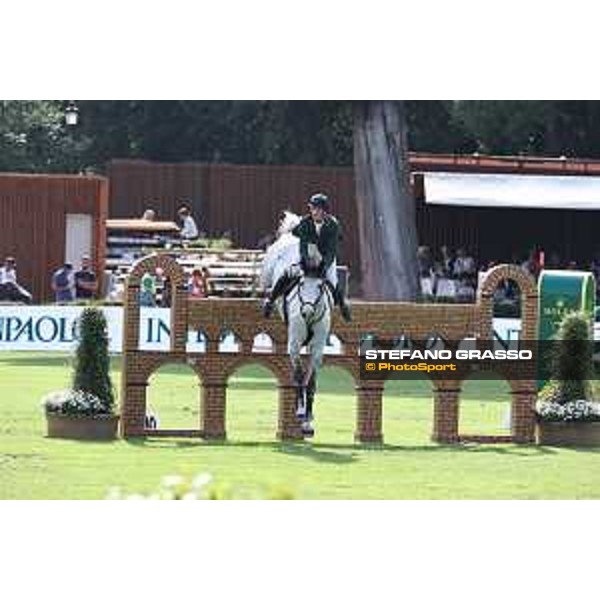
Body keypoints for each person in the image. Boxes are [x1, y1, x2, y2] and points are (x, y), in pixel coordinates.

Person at [262, 193, 351, 322]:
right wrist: (305, 262)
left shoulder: (333, 225)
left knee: (332, 280)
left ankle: (343, 305)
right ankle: (270, 301)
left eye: (318, 209)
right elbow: (303, 247)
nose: (314, 212)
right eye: (313, 209)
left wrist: (324, 266)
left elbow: (331, 251)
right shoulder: (305, 222)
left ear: (325, 211)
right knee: (289, 272)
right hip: (309, 251)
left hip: (326, 254)